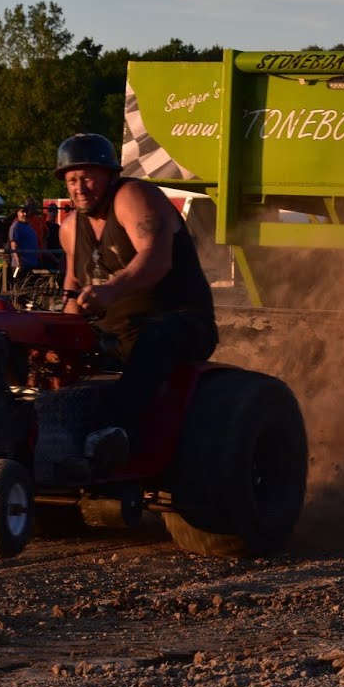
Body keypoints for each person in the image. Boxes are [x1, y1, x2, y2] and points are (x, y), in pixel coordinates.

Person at [55, 133, 218, 472]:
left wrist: (112, 290)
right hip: (116, 333)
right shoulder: (70, 227)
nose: (79, 187)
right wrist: (58, 341)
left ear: (110, 174)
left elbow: (157, 259)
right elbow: (72, 285)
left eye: (87, 177)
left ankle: (117, 433)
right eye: (72, 180)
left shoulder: (133, 196)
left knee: (158, 333)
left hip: (181, 322)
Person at [8, 205, 41, 282]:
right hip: (21, 265)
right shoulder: (16, 227)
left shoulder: (29, 227)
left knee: (31, 288)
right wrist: (18, 261)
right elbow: (13, 245)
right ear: (18, 213)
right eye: (22, 212)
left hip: (32, 264)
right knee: (20, 287)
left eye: (26, 212)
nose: (25, 214)